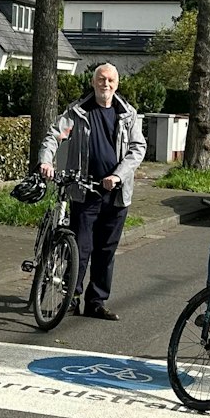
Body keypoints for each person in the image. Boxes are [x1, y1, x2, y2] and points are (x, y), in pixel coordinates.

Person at [36, 64, 147, 320]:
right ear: (93, 82)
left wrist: (117, 176)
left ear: (116, 84)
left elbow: (137, 148)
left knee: (106, 251)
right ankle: (70, 297)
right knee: (81, 247)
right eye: (100, 79)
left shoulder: (128, 114)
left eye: (110, 80)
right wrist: (45, 160)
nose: (105, 84)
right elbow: (54, 135)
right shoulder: (78, 111)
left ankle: (96, 301)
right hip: (84, 190)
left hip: (116, 193)